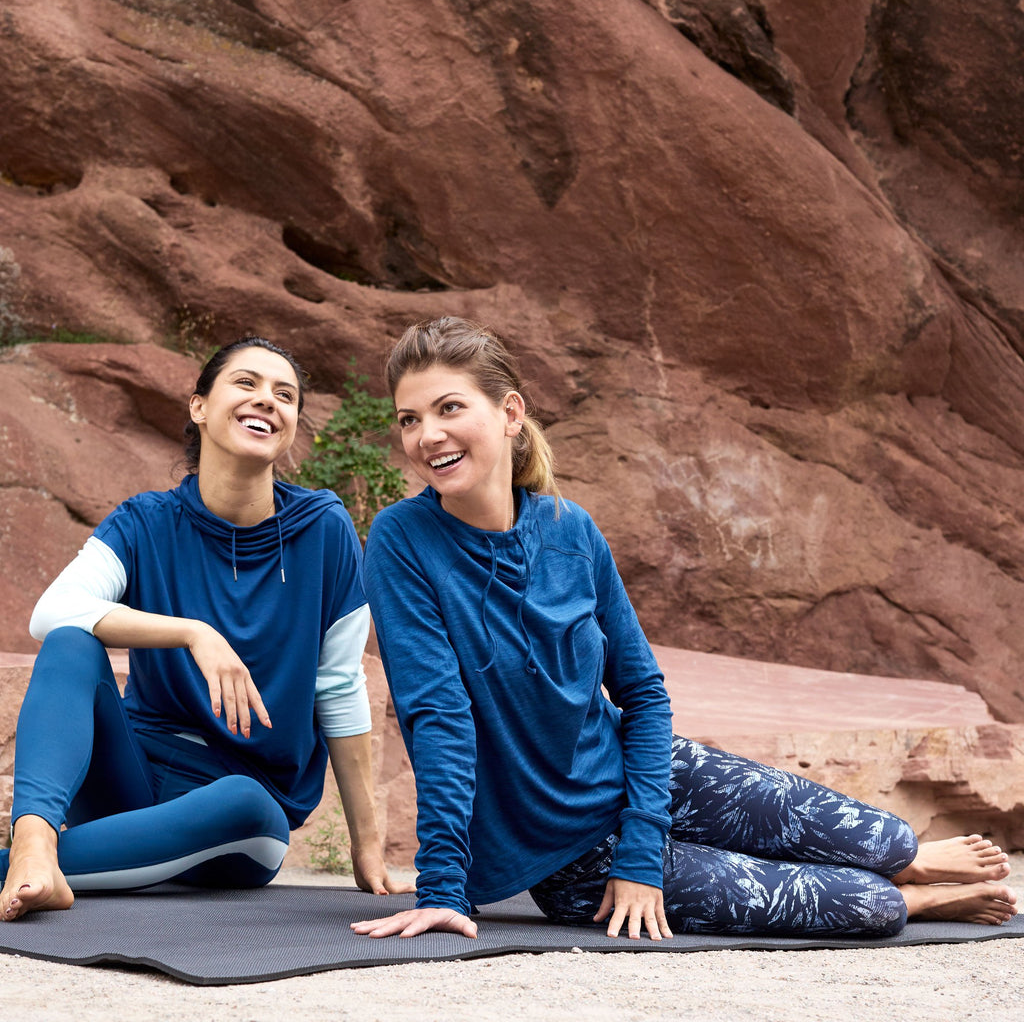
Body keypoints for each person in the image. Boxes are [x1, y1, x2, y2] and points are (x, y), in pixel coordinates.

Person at [352, 316, 1017, 942]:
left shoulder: (570, 530)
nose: (426, 436)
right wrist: (442, 889)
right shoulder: (401, 541)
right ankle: (918, 894)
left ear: (510, 414)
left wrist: (643, 850)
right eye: (409, 419)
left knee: (884, 838)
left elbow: (642, 694)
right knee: (871, 910)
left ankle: (910, 863)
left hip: (647, 774)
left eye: (449, 408)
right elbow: (438, 717)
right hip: (570, 854)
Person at [1, 336, 411, 922]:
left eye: (285, 394)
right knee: (71, 642)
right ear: (199, 406)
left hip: (241, 812)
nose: (267, 400)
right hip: (130, 786)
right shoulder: (145, 521)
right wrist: (193, 631)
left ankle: (29, 868)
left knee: (246, 802)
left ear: (293, 424)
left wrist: (367, 845)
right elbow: (52, 612)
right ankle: (35, 844)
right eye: (246, 384)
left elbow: (339, 687)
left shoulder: (324, 529)